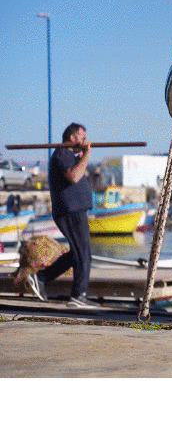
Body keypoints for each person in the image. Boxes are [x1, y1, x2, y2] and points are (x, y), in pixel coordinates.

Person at [25, 123, 99, 308]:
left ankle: (40, 277)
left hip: (74, 210)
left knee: (78, 253)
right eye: (82, 136)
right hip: (70, 211)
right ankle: (78, 296)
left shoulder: (69, 155)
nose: (84, 140)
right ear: (72, 138)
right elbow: (74, 176)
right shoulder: (63, 153)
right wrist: (87, 154)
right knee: (83, 254)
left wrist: (81, 156)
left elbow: (76, 172)